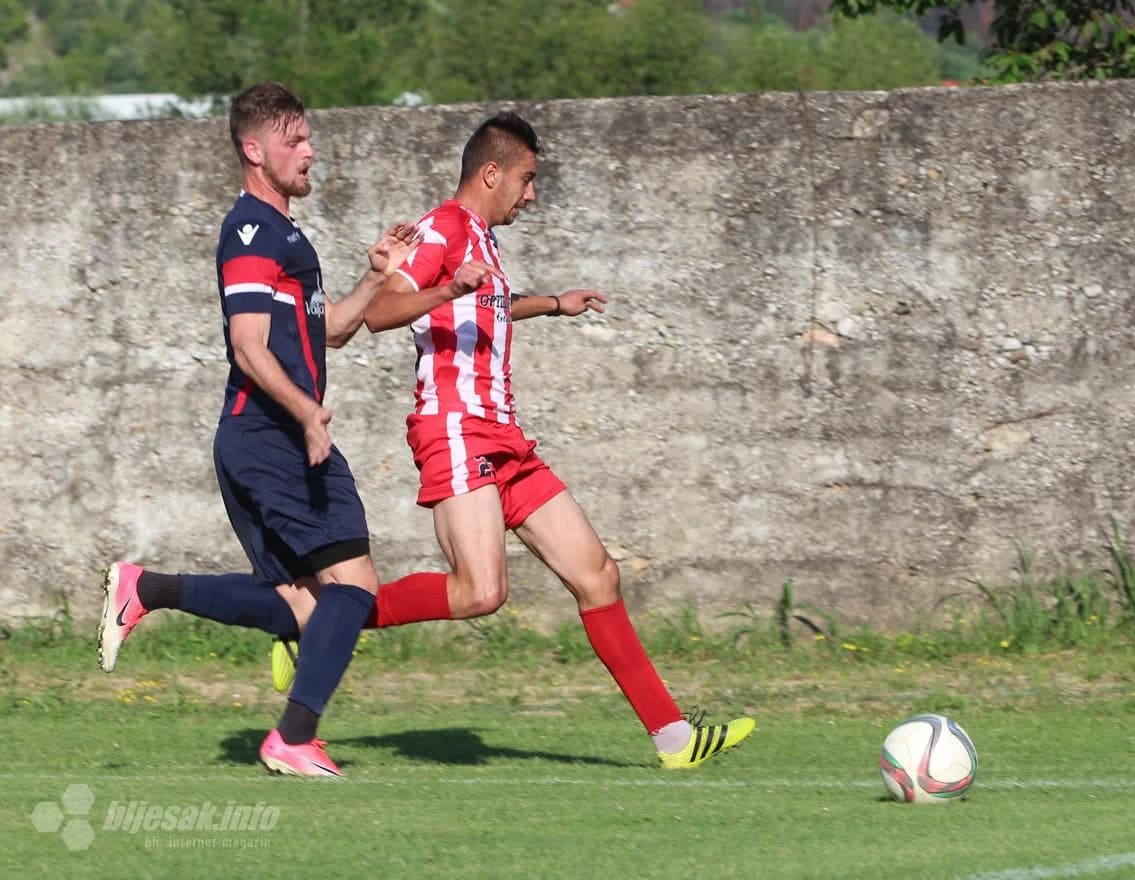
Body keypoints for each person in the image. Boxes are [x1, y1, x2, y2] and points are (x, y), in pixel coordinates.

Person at [321, 111, 753, 769]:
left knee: (597, 574)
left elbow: (484, 303)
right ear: (490, 173)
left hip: (503, 436)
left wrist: (554, 303)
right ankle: (317, 620)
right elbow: (379, 313)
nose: (532, 193)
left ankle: (675, 739)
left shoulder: (482, 239)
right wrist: (444, 284)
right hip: (456, 427)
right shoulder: (439, 231)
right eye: (526, 179)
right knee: (479, 592)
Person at [97, 81, 498, 778]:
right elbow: (248, 345)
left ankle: (148, 588)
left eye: (308, 137)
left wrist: (380, 279)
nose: (310, 151)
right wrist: (308, 414)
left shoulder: (287, 233)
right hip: (271, 436)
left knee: (306, 604)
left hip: (274, 437)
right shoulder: (250, 231)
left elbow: (332, 332)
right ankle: (292, 737)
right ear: (255, 150)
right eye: (294, 141)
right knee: (355, 589)